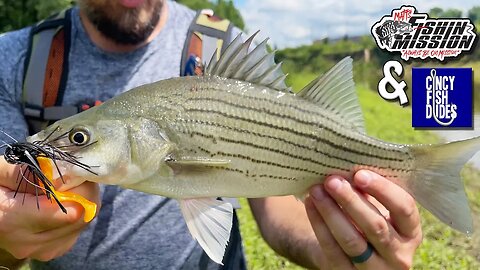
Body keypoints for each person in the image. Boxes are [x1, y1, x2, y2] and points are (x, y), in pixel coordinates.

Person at [0, 0, 422, 269]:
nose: (74, 146)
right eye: (79, 138)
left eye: (79, 140)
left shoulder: (221, 44)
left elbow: (273, 188)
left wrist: (336, 251)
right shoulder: (15, 59)